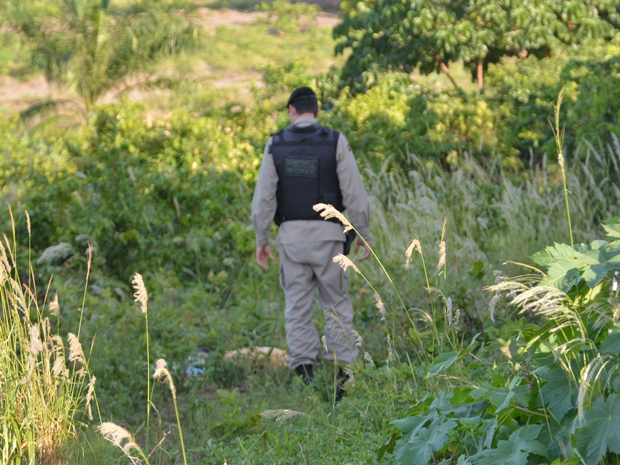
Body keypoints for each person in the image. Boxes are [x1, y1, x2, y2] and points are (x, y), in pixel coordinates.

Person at [251, 86, 371, 400]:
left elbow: (263, 198)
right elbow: (355, 194)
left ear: (291, 110)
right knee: (336, 305)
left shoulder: (275, 144)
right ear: (316, 111)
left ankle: (305, 377)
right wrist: (364, 234)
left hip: (290, 240)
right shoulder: (335, 141)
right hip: (330, 239)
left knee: (297, 307)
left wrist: (261, 239)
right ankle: (343, 378)